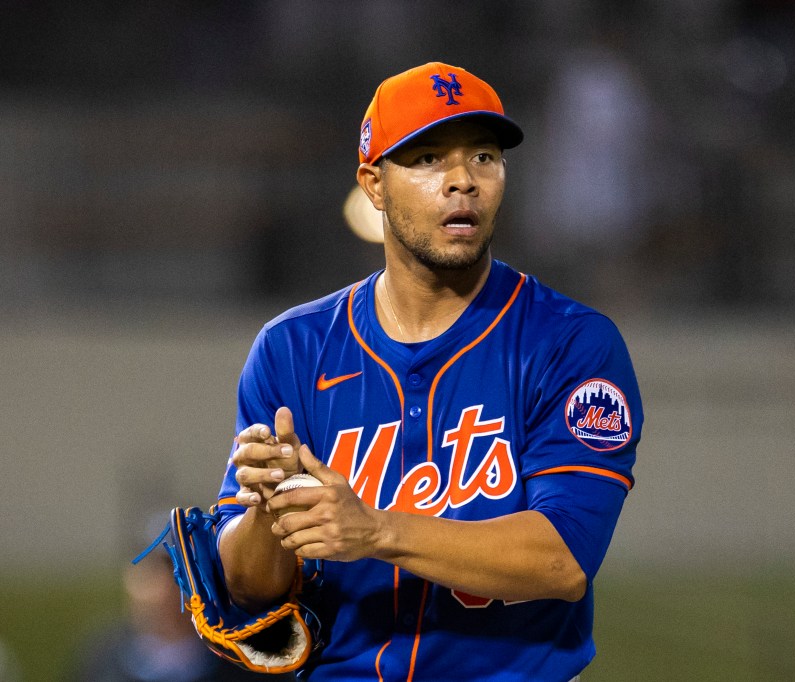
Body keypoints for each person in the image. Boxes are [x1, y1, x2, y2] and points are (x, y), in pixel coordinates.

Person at [214, 62, 643, 681]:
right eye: (427, 159)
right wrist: (266, 512)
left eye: (485, 157)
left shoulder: (570, 344)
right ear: (373, 184)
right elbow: (251, 592)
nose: (461, 181)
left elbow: (563, 560)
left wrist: (375, 530)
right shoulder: (292, 349)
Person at [68, 552, 291, 682]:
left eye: (178, 577)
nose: (164, 591)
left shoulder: (248, 663)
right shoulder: (103, 658)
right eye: (151, 575)